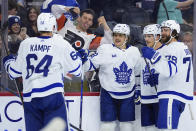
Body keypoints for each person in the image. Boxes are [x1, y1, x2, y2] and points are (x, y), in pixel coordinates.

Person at [3, 12, 82, 131]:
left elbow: (14, 72)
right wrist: (79, 56)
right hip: (53, 96)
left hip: (31, 98)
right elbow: (77, 70)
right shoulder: (60, 43)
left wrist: (8, 62)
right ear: (54, 27)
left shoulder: (26, 43)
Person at [81, 23, 141, 131]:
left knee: (127, 125)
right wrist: (84, 60)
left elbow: (137, 72)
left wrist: (137, 88)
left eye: (120, 35)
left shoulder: (134, 51)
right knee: (107, 125)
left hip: (128, 94)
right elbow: (90, 66)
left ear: (126, 37)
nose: (117, 37)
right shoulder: (104, 49)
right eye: (115, 35)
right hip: (108, 93)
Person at [142, 20, 194, 131]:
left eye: (166, 30)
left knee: (166, 129)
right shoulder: (182, 47)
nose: (162, 33)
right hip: (178, 95)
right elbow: (178, 70)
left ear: (174, 33)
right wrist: (159, 78)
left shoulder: (172, 48)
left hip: (171, 95)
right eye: (161, 30)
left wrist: (153, 56)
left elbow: (169, 70)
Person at [140, 24, 163, 131]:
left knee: (162, 128)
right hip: (145, 97)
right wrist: (137, 88)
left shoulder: (165, 52)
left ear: (157, 37)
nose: (146, 39)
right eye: (145, 36)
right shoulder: (143, 53)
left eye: (149, 36)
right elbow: (138, 73)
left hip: (160, 98)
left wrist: (161, 79)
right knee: (148, 128)